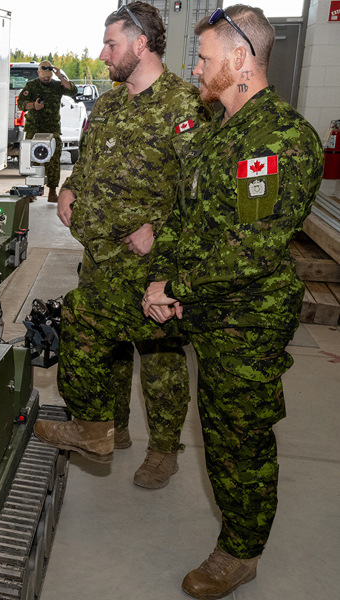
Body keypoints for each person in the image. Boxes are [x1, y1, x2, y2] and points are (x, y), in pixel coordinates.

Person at [142, 6, 323, 598]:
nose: (195, 70)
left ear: (239, 61)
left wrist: (177, 288)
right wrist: (160, 275)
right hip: (206, 304)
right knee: (212, 424)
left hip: (248, 319)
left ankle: (240, 552)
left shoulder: (280, 139)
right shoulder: (220, 127)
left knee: (236, 436)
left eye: (204, 59)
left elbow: (251, 247)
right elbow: (188, 218)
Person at [32, 2, 209, 489]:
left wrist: (160, 231)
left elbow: (202, 199)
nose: (103, 54)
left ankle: (164, 450)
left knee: (161, 362)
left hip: (153, 265)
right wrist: (68, 187)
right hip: (100, 258)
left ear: (140, 44)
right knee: (102, 348)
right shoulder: (108, 104)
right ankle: (109, 428)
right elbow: (87, 161)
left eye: (111, 44)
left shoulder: (185, 106)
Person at [15, 59, 77, 203]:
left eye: (48, 76)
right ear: (38, 73)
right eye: (43, 76)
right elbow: (21, 104)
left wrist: (61, 76)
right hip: (34, 128)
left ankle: (52, 191)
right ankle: (32, 190)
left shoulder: (57, 85)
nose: (46, 78)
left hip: (52, 129)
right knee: (32, 160)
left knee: (54, 161)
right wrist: (33, 105)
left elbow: (72, 90)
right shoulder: (31, 86)